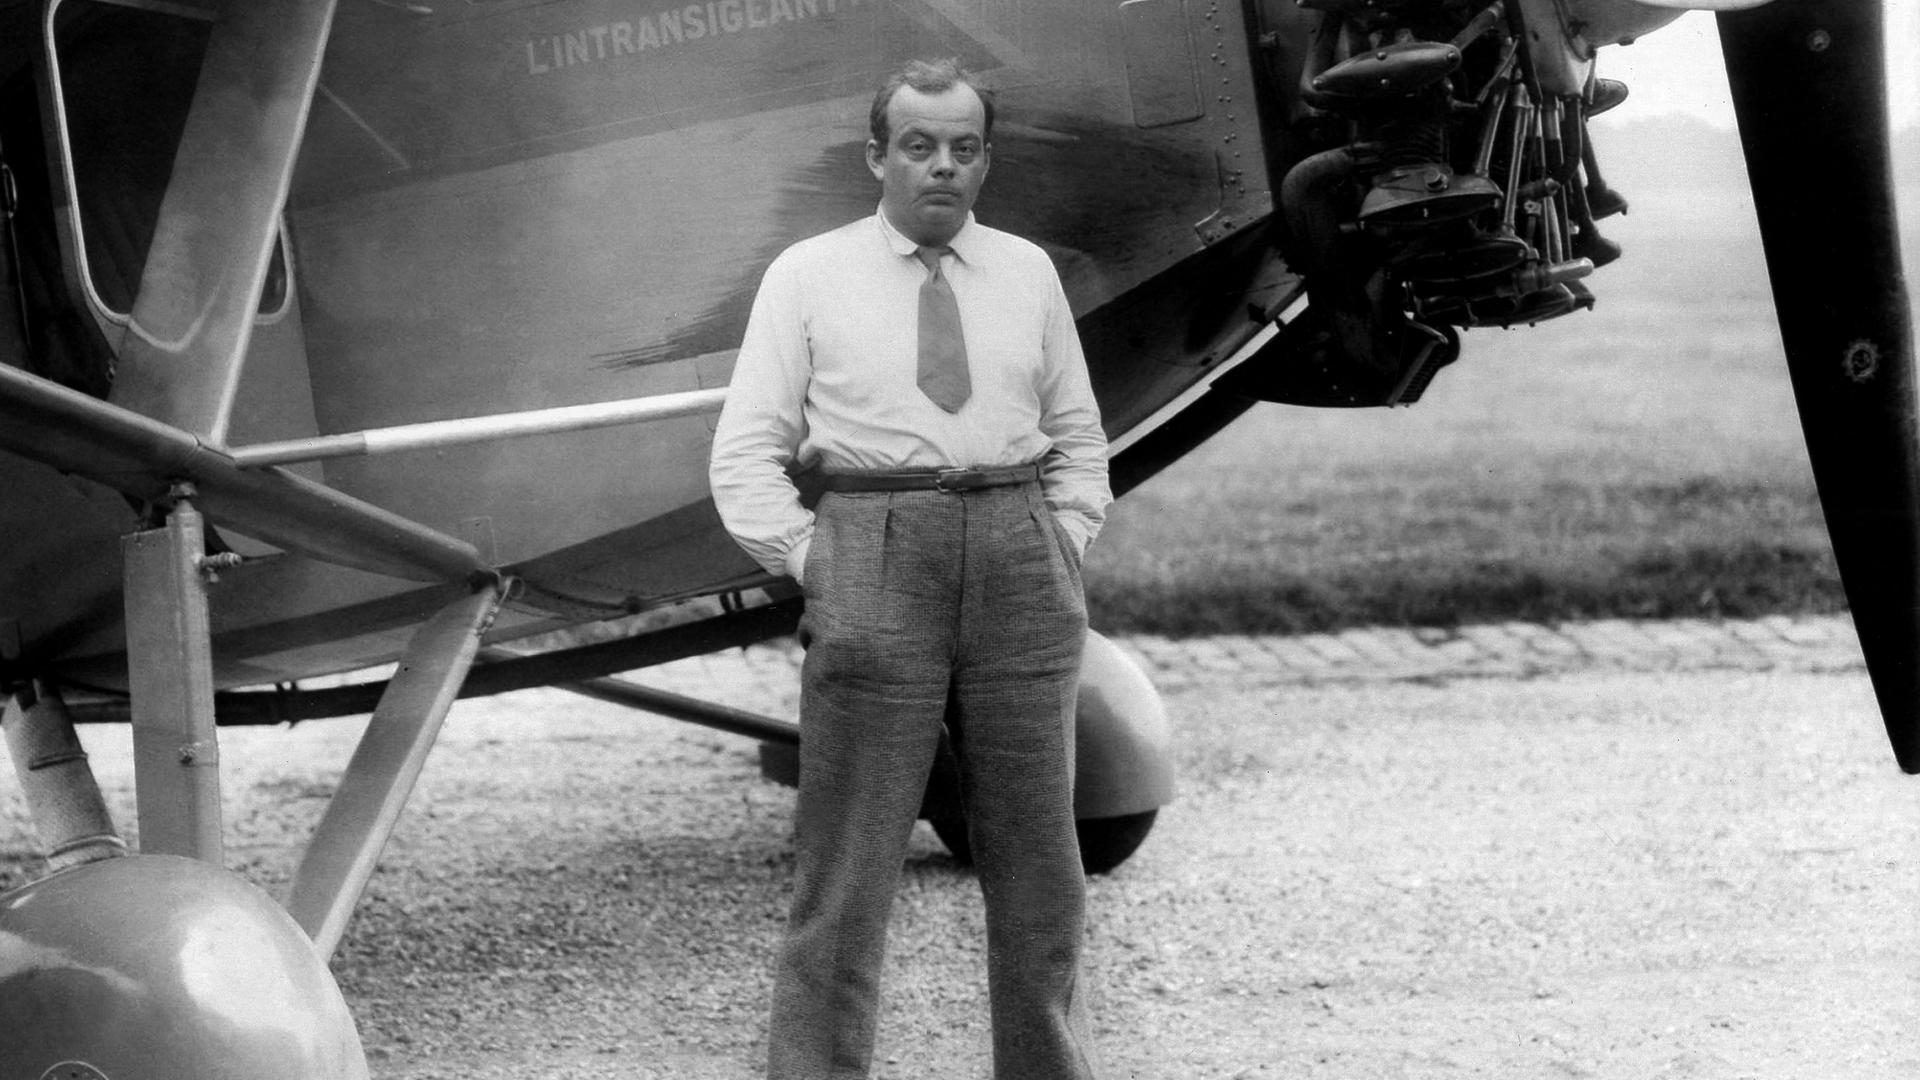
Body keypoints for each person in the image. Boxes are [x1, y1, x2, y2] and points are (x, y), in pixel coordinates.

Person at [708, 57, 1111, 1080]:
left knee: (1039, 863)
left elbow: (1078, 435)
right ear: (878, 156)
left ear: (986, 161)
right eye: (920, 147)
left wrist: (1061, 536)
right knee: (849, 866)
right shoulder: (808, 274)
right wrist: (820, 562)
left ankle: (1047, 1067)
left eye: (964, 149)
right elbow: (744, 455)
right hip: (874, 547)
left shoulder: (1027, 273)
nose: (943, 168)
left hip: (1020, 548)